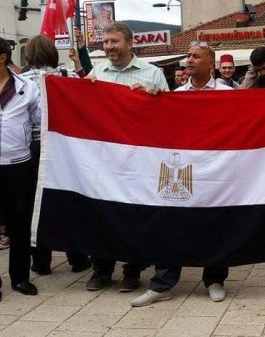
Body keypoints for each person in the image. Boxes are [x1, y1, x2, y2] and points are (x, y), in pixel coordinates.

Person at [131, 42, 231, 307]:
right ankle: (162, 283)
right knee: (172, 223)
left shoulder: (227, 93)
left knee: (215, 222)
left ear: (211, 64)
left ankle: (214, 279)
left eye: (196, 56)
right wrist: (147, 101)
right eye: (188, 55)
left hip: (215, 169)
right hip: (184, 169)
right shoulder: (177, 94)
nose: (189, 60)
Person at [85, 22, 169, 293]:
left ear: (130, 43)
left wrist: (155, 99)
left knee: (135, 214)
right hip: (105, 160)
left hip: (138, 160)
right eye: (106, 42)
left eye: (114, 41)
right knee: (101, 213)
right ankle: (101, 269)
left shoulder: (152, 74)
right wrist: (84, 91)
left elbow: (169, 117)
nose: (108, 47)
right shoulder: (96, 72)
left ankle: (133, 270)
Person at [20, 35, 91, 276]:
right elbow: (89, 93)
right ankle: (78, 258)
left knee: (35, 204)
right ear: (53, 52)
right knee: (68, 198)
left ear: (28, 54)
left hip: (33, 146)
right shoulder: (67, 76)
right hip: (63, 146)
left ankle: (40, 262)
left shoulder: (20, 81)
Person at [0, 37, 41, 298]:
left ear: (2, 57)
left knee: (19, 223)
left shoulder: (27, 86)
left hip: (18, 164)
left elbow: (42, 118)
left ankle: (20, 277)